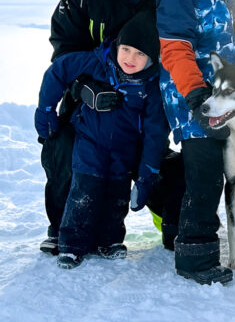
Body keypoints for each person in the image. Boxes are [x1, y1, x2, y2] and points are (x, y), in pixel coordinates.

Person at [39, 0, 187, 255]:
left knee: (172, 167)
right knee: (62, 148)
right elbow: (64, 50)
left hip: (146, 108)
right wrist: (83, 88)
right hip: (93, 113)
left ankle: (173, 221)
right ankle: (64, 226)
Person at [35, 13, 170, 269]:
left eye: (140, 54)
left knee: (117, 195)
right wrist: (45, 110)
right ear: (117, 45)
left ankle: (110, 241)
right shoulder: (98, 64)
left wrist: (147, 175)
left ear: (152, 58)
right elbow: (58, 71)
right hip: (89, 143)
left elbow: (155, 132)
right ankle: (72, 244)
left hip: (124, 149)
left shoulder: (151, 87)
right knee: (84, 190)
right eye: (126, 49)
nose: (130, 58)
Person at [156, 0, 235, 285]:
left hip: (218, 99)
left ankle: (176, 232)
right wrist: (196, 94)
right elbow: (176, 48)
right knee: (207, 174)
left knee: (204, 169)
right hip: (191, 95)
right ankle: (196, 256)